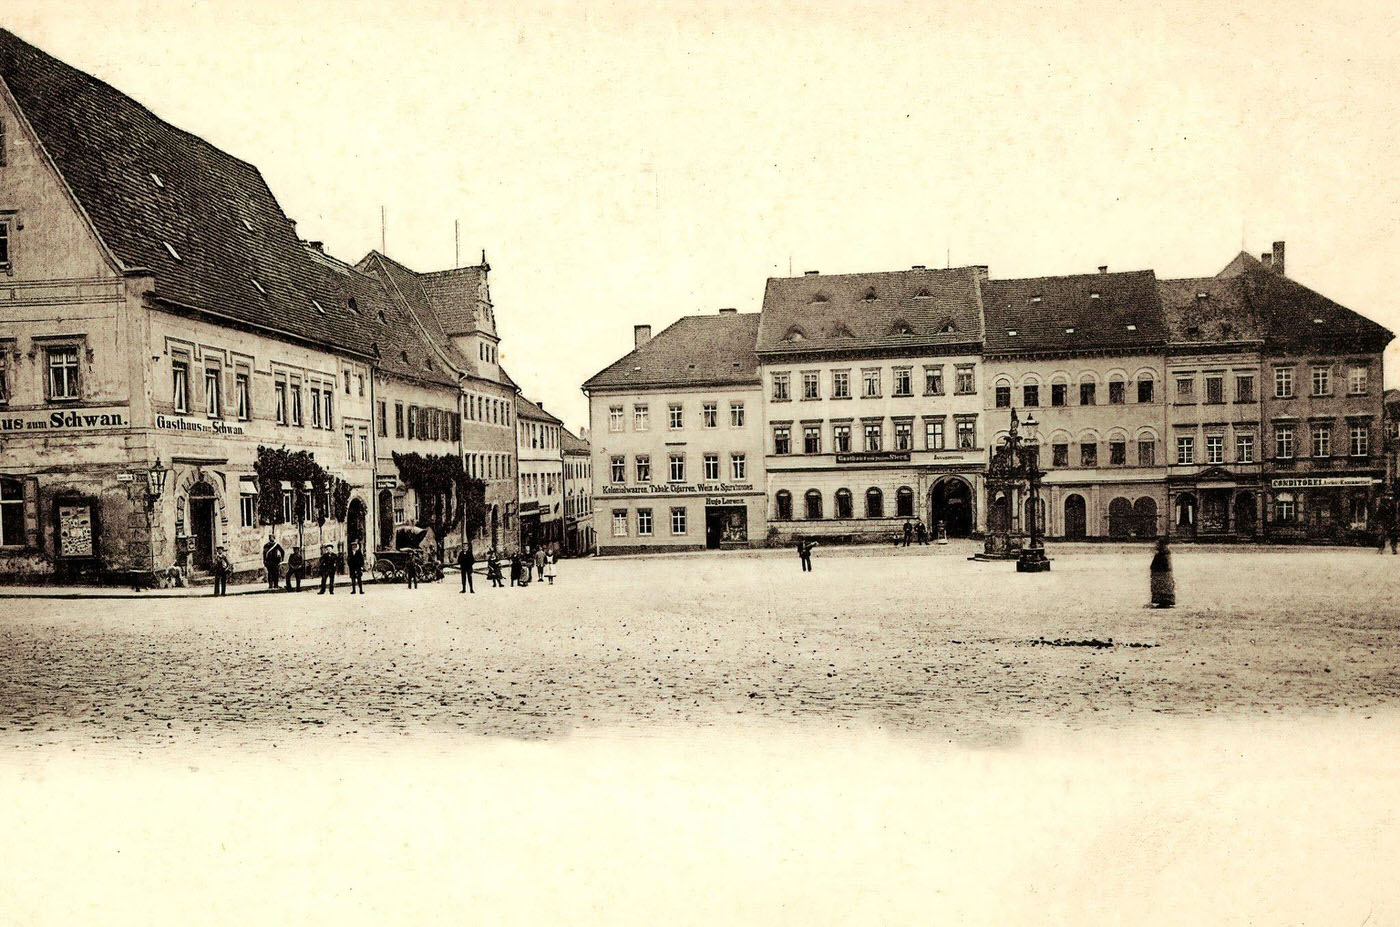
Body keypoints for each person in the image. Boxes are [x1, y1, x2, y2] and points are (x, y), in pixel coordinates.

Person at [1150, 536, 1175, 608]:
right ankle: (1165, 600)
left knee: (1161, 586)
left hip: (1161, 572)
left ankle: (1163, 601)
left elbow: (1162, 563)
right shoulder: (1165, 552)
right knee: (1164, 586)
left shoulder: (1162, 553)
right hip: (1164, 572)